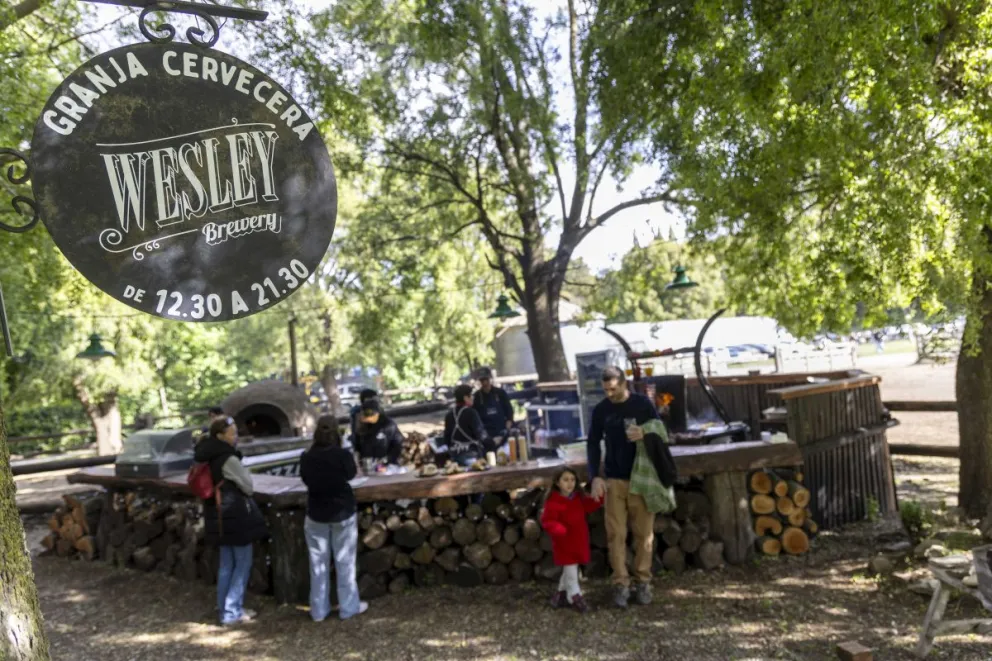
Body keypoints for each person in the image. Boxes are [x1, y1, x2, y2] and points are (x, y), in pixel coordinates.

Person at [587, 365, 662, 609]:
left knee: (644, 534)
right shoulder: (601, 410)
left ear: (623, 383)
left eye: (613, 388)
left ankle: (643, 581)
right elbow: (592, 443)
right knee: (616, 534)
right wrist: (594, 476)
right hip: (614, 479)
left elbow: (661, 430)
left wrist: (645, 431)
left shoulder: (642, 404)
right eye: (605, 389)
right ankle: (620, 584)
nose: (609, 393)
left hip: (641, 476)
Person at [193, 416, 268, 625]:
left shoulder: (205, 455)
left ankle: (224, 606)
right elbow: (248, 486)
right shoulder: (228, 459)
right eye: (232, 433)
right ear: (220, 436)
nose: (235, 436)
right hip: (234, 514)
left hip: (216, 514)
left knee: (226, 564)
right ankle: (232, 611)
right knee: (242, 563)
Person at [300, 415, 368, 622]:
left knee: (317, 564)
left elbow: (305, 479)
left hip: (316, 512)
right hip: (342, 512)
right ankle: (349, 607)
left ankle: (318, 610)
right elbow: (351, 474)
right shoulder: (342, 454)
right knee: (345, 562)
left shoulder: (307, 456)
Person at [540, 467, 603, 613]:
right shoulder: (553, 502)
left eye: (573, 480)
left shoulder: (577, 498)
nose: (570, 483)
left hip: (578, 540)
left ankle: (560, 596)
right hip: (564, 543)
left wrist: (599, 498)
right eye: (566, 480)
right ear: (557, 482)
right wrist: (559, 529)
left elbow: (589, 505)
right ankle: (575, 596)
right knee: (572, 571)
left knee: (570, 569)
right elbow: (548, 520)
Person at [443, 384, 495, 462]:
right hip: (471, 456)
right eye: (471, 396)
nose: (473, 398)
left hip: (455, 457)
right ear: (465, 398)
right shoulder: (471, 413)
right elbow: (481, 435)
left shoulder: (449, 415)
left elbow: (447, 439)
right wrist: (493, 443)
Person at [353, 398, 404, 466]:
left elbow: (397, 443)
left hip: (385, 464)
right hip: (368, 463)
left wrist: (388, 459)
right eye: (364, 413)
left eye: (369, 413)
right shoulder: (362, 425)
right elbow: (357, 444)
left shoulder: (388, 424)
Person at [472, 366, 515, 440]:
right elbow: (475, 418)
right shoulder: (476, 397)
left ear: (490, 379)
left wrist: (508, 426)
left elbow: (509, 412)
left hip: (502, 431)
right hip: (487, 435)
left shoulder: (500, 393)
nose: (485, 383)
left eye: (486, 379)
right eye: (482, 380)